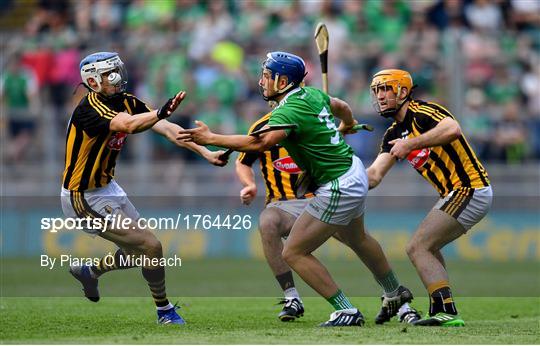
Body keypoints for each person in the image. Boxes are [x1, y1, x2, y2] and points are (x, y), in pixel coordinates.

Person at [178, 51, 419, 327]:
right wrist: (348, 123)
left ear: (282, 82)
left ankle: (346, 311)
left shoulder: (288, 110)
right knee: (358, 239)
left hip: (339, 184)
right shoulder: (313, 95)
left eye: (267, 76)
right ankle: (394, 292)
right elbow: (340, 105)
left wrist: (211, 138)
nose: (262, 81)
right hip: (352, 170)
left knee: (293, 253)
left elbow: (260, 144)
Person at [61, 52, 226, 325]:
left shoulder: (127, 101)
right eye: (108, 74)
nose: (117, 78)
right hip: (82, 196)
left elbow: (168, 129)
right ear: (92, 81)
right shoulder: (89, 108)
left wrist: (205, 153)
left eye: (117, 71)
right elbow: (127, 124)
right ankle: (165, 311)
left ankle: (90, 271)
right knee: (151, 245)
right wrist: (159, 112)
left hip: (108, 188)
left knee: (142, 251)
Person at [366, 69, 492, 327]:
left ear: (402, 92)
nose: (379, 96)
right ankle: (441, 308)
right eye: (376, 90)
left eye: (385, 89)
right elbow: (374, 176)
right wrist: (338, 170)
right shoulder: (392, 135)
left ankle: (446, 310)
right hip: (455, 193)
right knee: (427, 248)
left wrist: (411, 144)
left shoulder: (423, 112)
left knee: (417, 247)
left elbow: (452, 128)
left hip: (470, 188)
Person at [236, 111, 313, 322]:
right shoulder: (262, 126)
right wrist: (249, 184)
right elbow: (243, 161)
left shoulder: (314, 116)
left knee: (357, 238)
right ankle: (291, 297)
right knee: (267, 222)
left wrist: (343, 128)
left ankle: (393, 295)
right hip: (282, 203)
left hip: (320, 198)